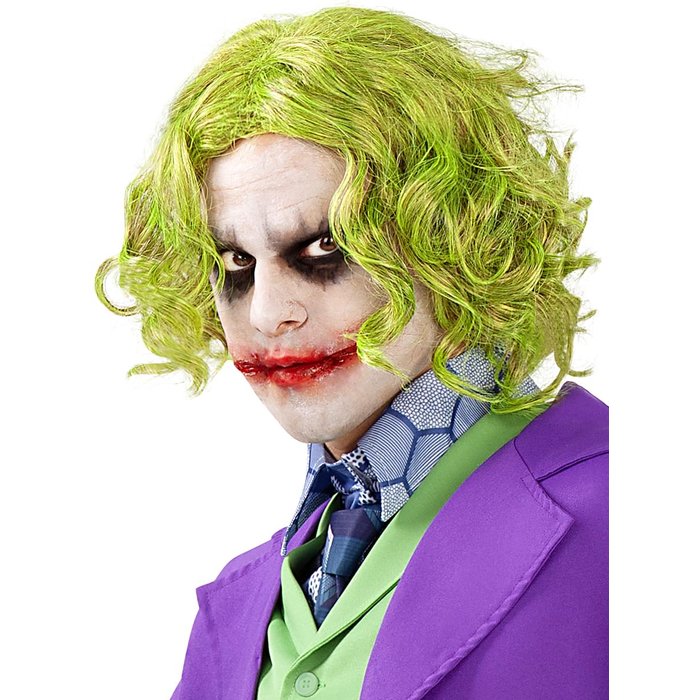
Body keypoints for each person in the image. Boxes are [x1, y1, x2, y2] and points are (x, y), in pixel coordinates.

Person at [95, 7, 608, 699]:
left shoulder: (632, 515)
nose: (268, 312)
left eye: (324, 247)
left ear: (457, 243)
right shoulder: (240, 608)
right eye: (235, 261)